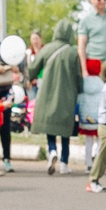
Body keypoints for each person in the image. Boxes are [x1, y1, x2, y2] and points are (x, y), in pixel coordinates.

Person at [32, 18, 83, 173]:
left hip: (47, 94)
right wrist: (80, 92)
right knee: (65, 130)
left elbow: (33, 68)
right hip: (67, 97)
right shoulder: (73, 52)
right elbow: (78, 77)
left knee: (51, 127)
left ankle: (52, 150)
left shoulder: (46, 49)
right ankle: (64, 164)